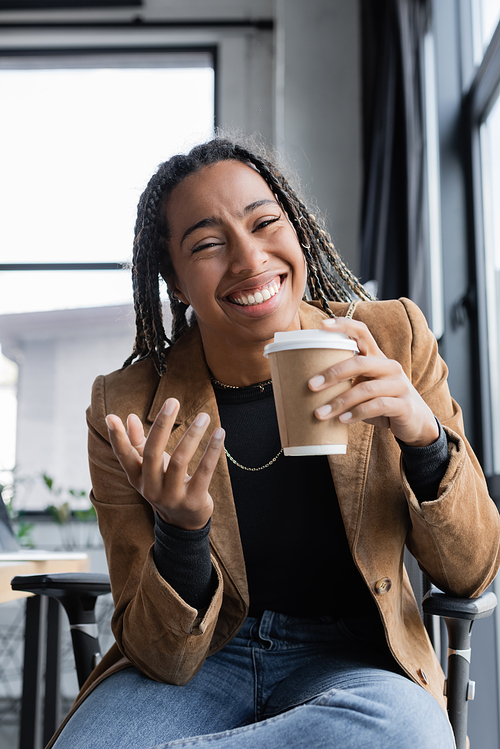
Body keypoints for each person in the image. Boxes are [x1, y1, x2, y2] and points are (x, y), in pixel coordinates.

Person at [50, 137, 499, 749]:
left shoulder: (392, 337)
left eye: (265, 223)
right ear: (176, 284)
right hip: (202, 667)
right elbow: (162, 657)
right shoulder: (127, 407)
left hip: (355, 662)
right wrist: (181, 533)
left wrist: (423, 438)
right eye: (207, 244)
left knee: (407, 733)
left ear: (298, 232)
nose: (249, 258)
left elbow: (472, 572)